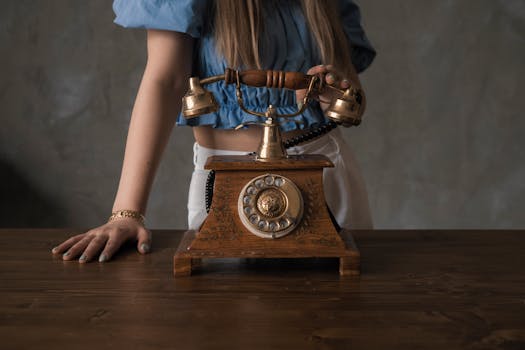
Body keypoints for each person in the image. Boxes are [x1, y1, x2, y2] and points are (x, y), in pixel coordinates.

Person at [51, 0, 376, 263]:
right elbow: (166, 81)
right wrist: (126, 213)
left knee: (339, 323)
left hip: (324, 174)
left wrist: (331, 93)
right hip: (224, 181)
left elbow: (353, 102)